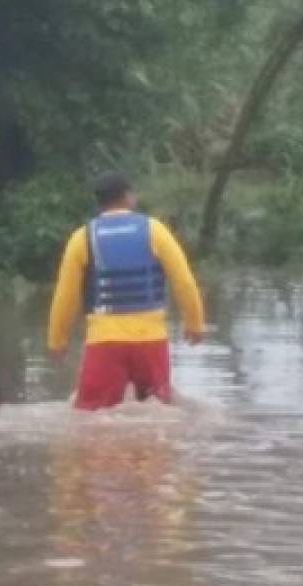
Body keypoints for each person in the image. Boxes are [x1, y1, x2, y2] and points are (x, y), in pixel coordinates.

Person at [47, 173, 206, 411]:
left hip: (104, 342)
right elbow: (184, 281)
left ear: (99, 202)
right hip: (151, 340)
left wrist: (57, 339)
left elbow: (66, 295)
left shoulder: (82, 238)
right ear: (129, 197)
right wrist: (195, 324)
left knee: (90, 418)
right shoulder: (155, 230)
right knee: (158, 414)